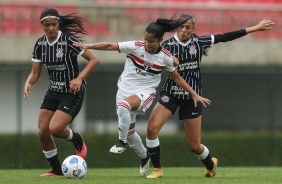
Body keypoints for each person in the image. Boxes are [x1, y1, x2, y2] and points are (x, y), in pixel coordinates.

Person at [73, 14, 211, 176]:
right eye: (145, 40)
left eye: (151, 41)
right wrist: (89, 46)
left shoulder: (165, 57)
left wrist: (194, 93)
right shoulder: (135, 46)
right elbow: (111, 45)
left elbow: (176, 77)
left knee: (124, 108)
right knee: (131, 133)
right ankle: (144, 156)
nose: (147, 44)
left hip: (144, 93)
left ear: (160, 40)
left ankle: (121, 142)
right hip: (124, 90)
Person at [145, 13, 275, 179]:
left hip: (193, 98)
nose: (184, 30)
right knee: (152, 129)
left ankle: (210, 164)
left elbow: (226, 36)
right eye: (181, 27)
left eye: (188, 27)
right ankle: (157, 169)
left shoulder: (199, 42)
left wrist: (255, 28)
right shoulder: (167, 46)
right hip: (170, 94)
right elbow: (148, 51)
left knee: (194, 146)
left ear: (193, 30)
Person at [23, 8, 99, 176]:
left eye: (54, 24)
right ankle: (56, 169)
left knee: (56, 129)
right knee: (43, 131)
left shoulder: (69, 41)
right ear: (42, 25)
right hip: (53, 91)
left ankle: (77, 139)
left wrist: (79, 78)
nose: (51, 28)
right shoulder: (40, 44)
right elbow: (35, 73)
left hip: (72, 92)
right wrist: (29, 82)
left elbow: (94, 59)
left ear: (58, 24)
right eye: (47, 25)